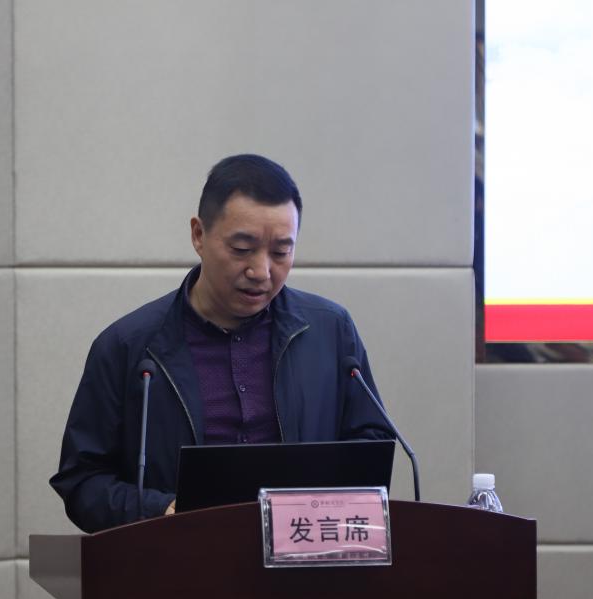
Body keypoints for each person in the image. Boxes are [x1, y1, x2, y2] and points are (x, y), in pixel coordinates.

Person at [50, 154, 394, 533]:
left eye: (281, 252)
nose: (261, 271)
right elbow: (82, 480)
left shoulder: (330, 331)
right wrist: (162, 511)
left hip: (303, 555)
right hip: (182, 558)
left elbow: (371, 448)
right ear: (198, 235)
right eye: (242, 249)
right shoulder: (129, 347)